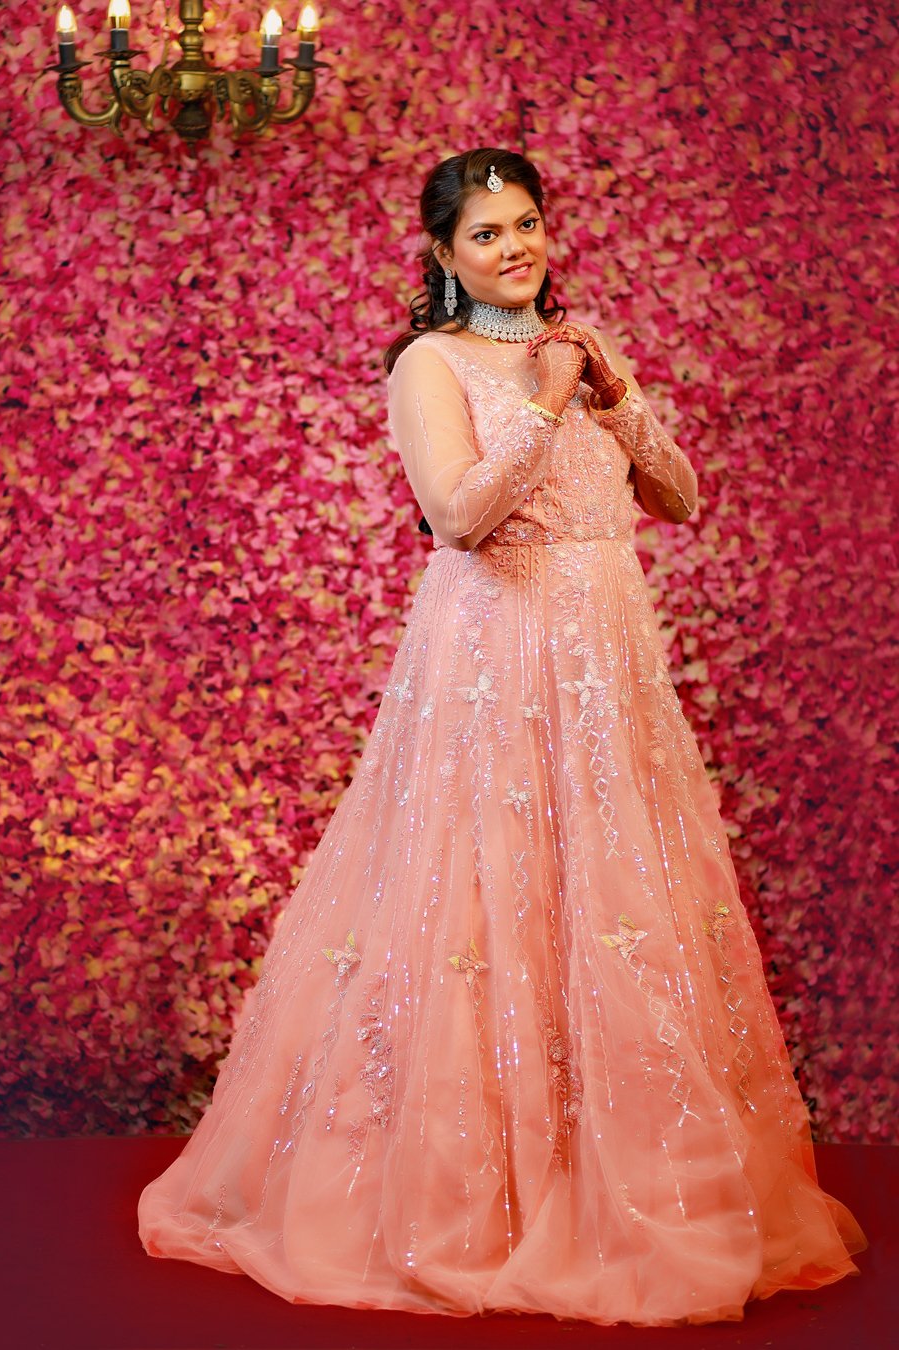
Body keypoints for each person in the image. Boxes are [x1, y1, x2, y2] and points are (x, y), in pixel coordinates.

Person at [137, 147, 867, 1326]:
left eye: (526, 223)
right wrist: (543, 400)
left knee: (611, 905)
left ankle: (615, 1177)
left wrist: (614, 397)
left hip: (607, 674)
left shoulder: (583, 351)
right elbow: (459, 517)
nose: (514, 248)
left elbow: (679, 499)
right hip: (496, 664)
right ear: (444, 254)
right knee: (484, 903)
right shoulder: (431, 363)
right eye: (486, 233)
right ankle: (473, 1197)